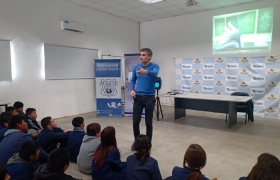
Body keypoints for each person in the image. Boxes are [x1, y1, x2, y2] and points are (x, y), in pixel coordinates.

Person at [130, 48, 159, 149]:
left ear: (149, 56)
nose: (141, 57)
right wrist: (132, 90)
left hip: (149, 98)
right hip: (138, 98)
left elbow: (155, 74)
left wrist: (146, 72)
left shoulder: (155, 66)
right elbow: (133, 80)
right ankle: (137, 142)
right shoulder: (136, 67)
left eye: (144, 55)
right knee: (135, 121)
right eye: (141, 55)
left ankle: (148, 144)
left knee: (148, 122)